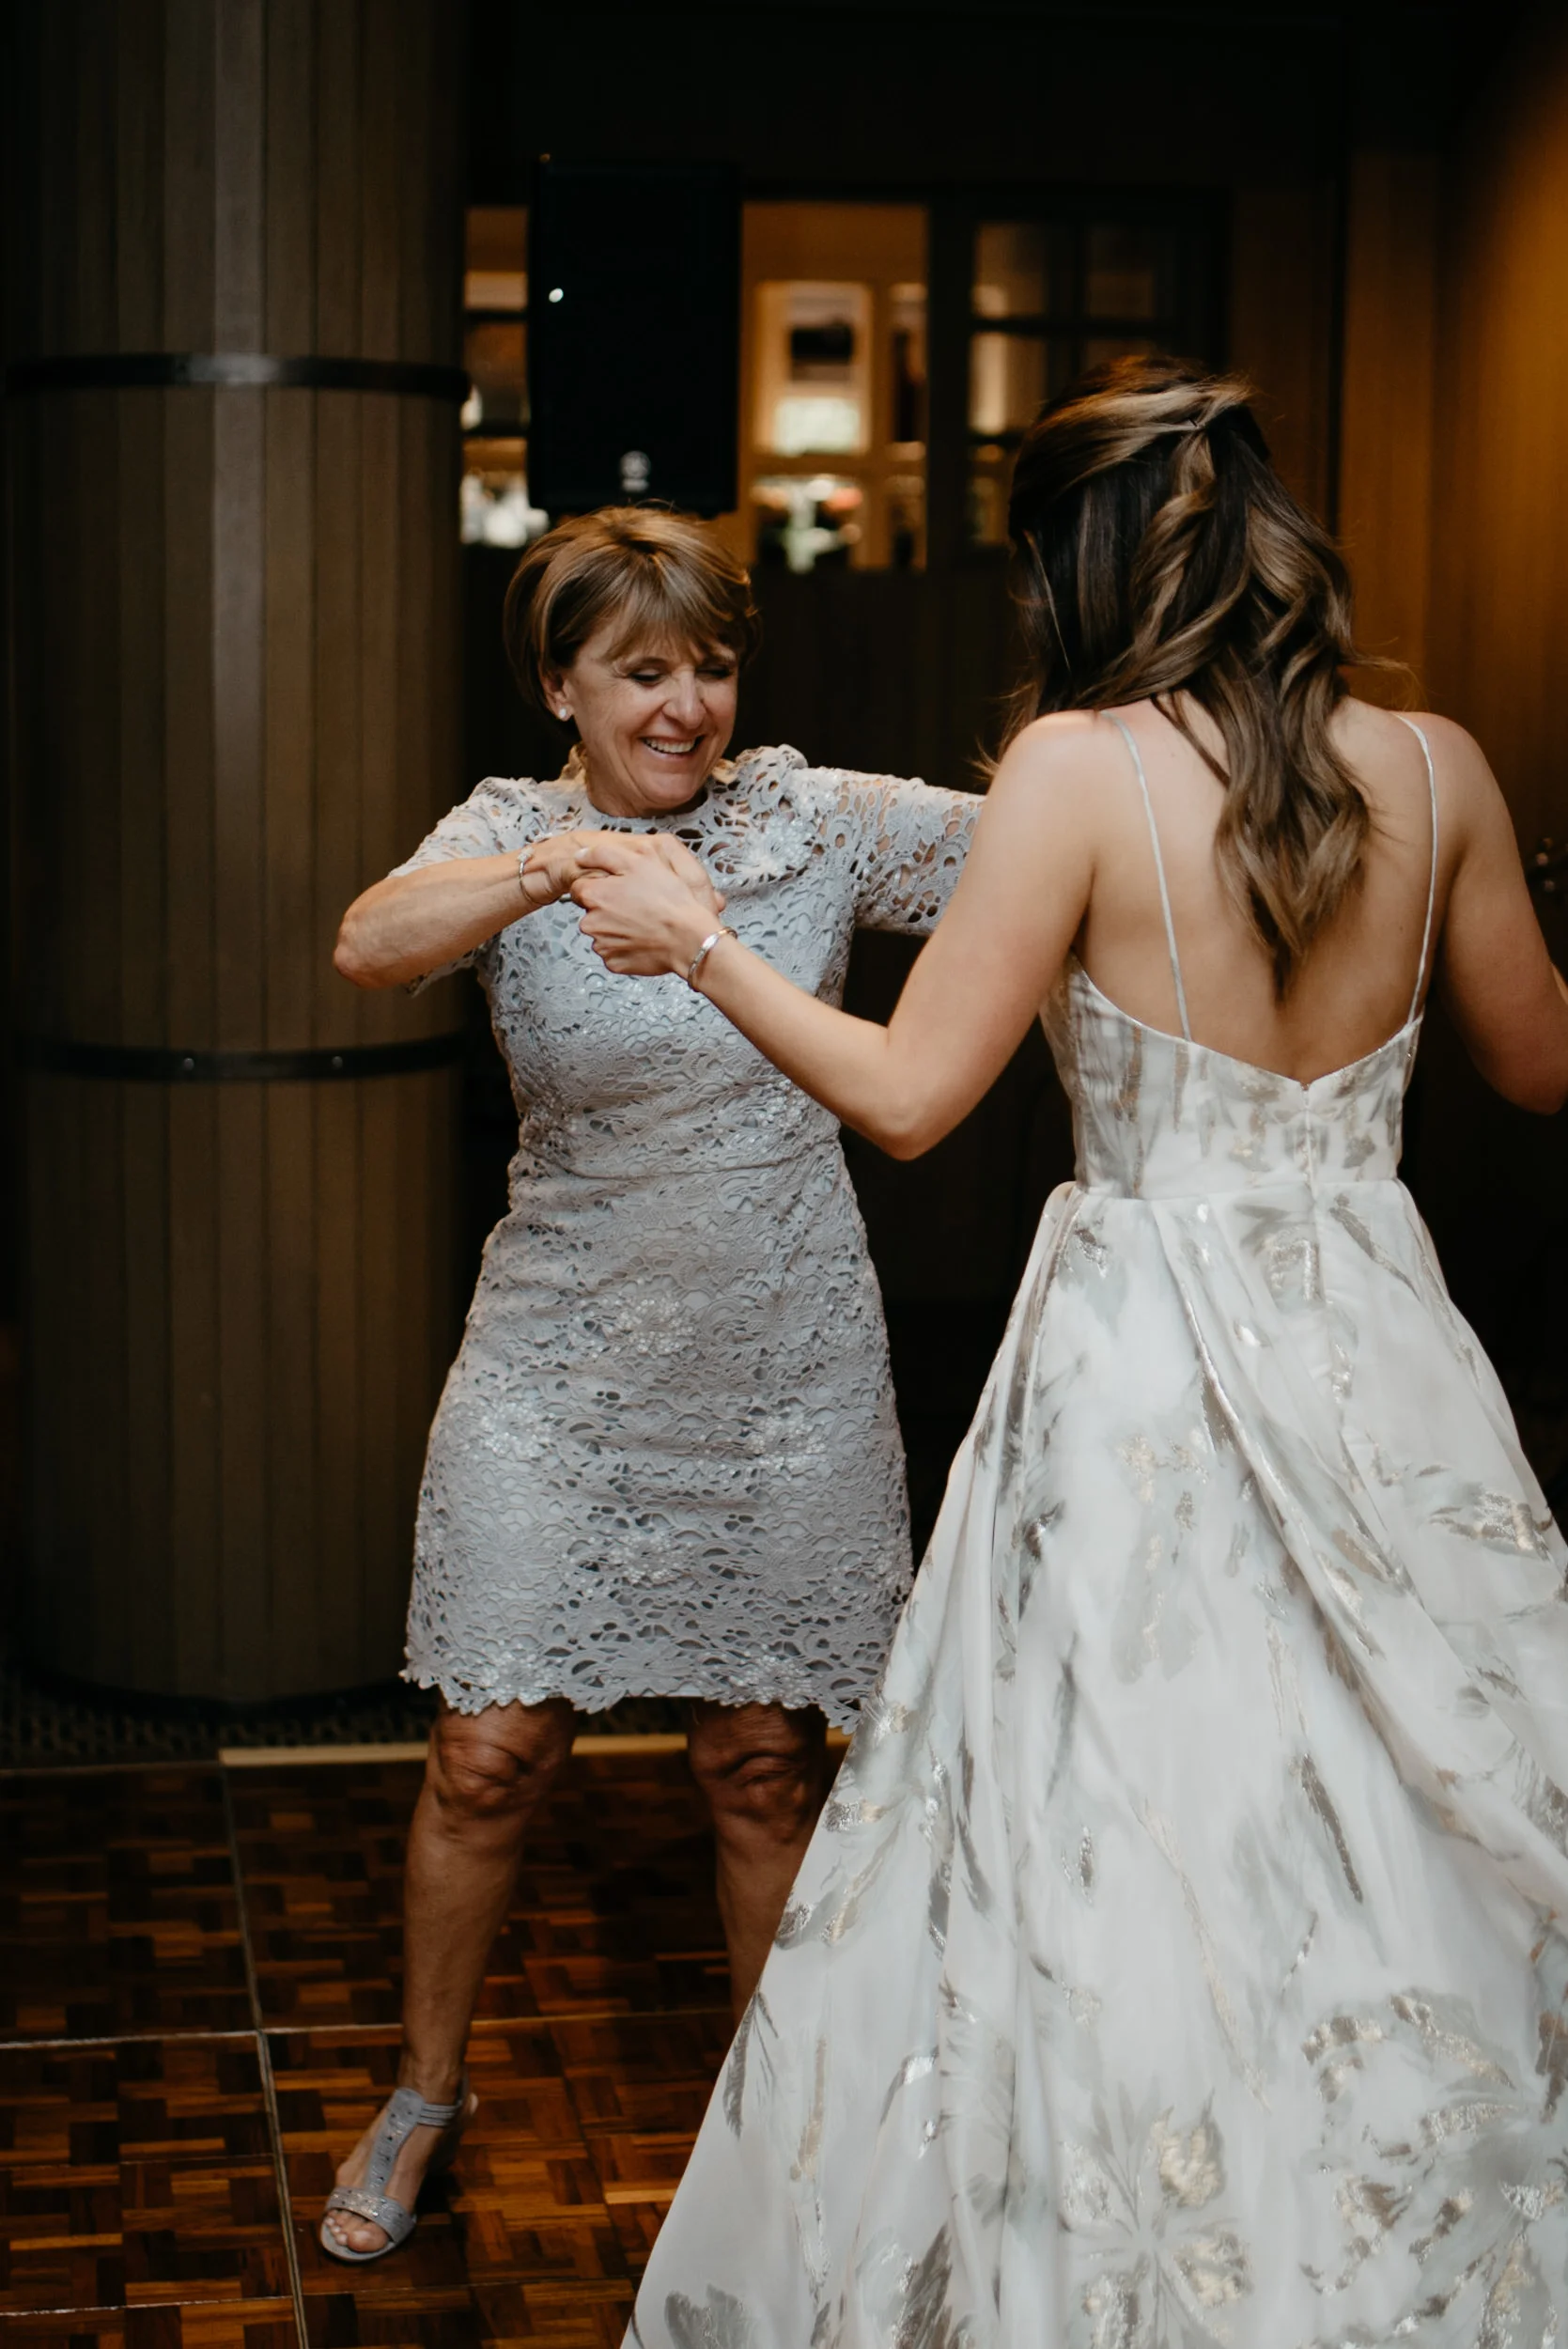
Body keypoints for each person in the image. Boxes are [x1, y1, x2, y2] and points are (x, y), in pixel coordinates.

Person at [572, 359, 1568, 2345]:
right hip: (1383, 1349)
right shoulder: (1443, 765)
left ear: (1072, 564)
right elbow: (1541, 1060)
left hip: (1138, 1371)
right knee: (1398, 1818)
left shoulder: (1075, 773)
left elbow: (915, 1093)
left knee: (1138, 1828)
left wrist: (703, 946)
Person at [318, 507, 978, 2262]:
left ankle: (775, 2144)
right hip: (560, 1354)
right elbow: (371, 943)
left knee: (764, 1764)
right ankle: (424, 2092)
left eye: (710, 664)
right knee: (486, 1753)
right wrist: (556, 869)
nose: (687, 704)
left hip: (788, 1361)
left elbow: (1043, 856)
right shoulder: (512, 833)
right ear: (562, 685)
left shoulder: (814, 817)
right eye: (643, 670)